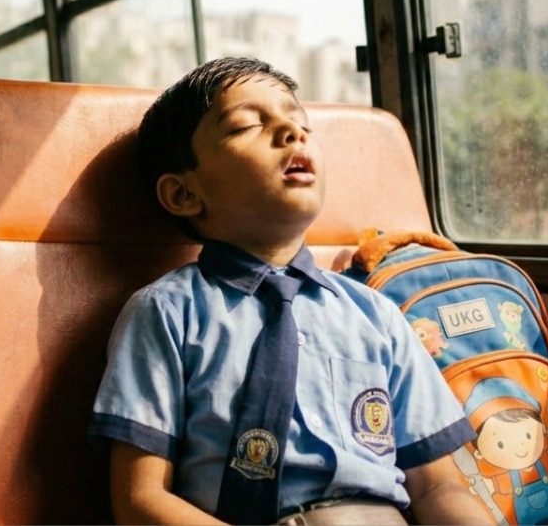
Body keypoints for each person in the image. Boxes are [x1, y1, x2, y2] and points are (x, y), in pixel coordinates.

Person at [89, 57, 496, 525]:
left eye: (299, 121)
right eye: (244, 125)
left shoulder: (376, 315)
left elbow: (438, 486)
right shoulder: (165, 312)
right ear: (184, 194)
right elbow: (140, 500)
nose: (291, 131)